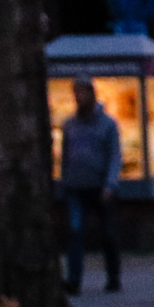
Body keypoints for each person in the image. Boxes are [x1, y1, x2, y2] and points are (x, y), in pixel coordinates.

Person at [56, 77, 123, 295]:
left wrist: (110, 184)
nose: (79, 97)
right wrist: (64, 180)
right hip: (75, 186)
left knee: (108, 233)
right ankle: (74, 280)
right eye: (76, 93)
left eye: (83, 93)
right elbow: (65, 155)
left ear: (92, 95)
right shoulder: (69, 125)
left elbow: (114, 156)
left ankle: (113, 277)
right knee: (75, 231)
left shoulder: (107, 125)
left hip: (100, 186)